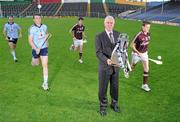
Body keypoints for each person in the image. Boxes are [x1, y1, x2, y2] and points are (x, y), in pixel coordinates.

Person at [95, 16, 121, 116]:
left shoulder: (118, 34)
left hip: (116, 66)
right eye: (108, 23)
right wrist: (107, 60)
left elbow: (121, 49)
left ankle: (114, 104)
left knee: (115, 87)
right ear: (104, 23)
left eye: (111, 23)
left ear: (114, 24)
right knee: (103, 88)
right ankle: (103, 106)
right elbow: (98, 52)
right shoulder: (99, 36)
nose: (109, 24)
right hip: (105, 67)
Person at [28, 14, 49, 91]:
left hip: (44, 48)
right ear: (33, 19)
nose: (38, 19)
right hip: (35, 48)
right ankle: (34, 59)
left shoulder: (45, 26)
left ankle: (45, 83)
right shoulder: (32, 28)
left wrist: (47, 41)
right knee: (36, 63)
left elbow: (46, 34)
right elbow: (30, 40)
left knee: (45, 65)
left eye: (39, 18)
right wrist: (36, 48)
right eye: (36, 18)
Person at [130, 21, 151, 92]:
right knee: (132, 67)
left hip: (144, 54)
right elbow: (132, 45)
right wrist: (138, 53)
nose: (148, 29)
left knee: (146, 68)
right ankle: (128, 68)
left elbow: (146, 44)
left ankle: (144, 85)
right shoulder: (138, 35)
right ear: (143, 27)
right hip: (136, 54)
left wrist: (144, 52)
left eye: (149, 27)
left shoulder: (148, 34)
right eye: (147, 27)